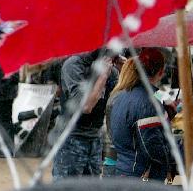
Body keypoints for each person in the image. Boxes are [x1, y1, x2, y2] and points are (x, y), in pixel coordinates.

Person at [107, 48, 173, 182]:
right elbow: (152, 146)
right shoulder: (148, 103)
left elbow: (159, 95)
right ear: (161, 72)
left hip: (123, 169)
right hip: (142, 175)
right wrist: (168, 163)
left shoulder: (119, 96)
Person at [51, 49, 118, 179]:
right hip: (71, 138)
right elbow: (86, 106)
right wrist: (103, 76)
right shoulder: (74, 64)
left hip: (94, 137)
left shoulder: (111, 69)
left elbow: (121, 99)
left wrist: (126, 70)